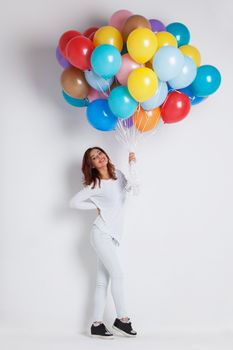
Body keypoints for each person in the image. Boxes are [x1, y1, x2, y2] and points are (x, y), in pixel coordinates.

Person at [69, 146, 139, 339]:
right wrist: (96, 204)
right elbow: (73, 203)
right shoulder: (95, 185)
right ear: (90, 164)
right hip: (100, 233)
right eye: (94, 157)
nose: (99, 157)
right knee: (118, 274)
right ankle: (122, 320)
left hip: (111, 235)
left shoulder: (118, 175)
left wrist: (132, 164)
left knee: (102, 282)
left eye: (100, 153)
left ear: (106, 155)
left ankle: (97, 325)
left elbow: (135, 188)